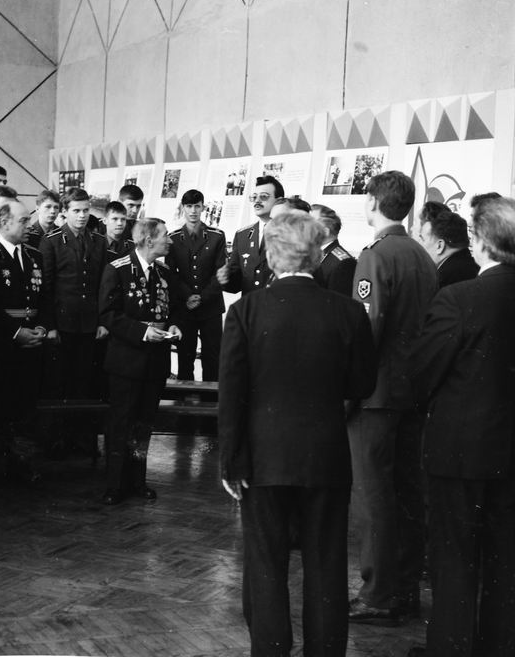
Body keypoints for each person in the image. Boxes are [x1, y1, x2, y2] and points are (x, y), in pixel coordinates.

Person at [219, 211, 375, 657]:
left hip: (263, 458)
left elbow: (231, 393)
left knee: (265, 562)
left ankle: (271, 649)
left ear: (271, 255)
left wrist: (231, 461)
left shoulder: (246, 310)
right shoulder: (348, 311)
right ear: (316, 253)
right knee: (326, 561)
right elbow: (362, 383)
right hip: (325, 455)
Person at [407, 195, 515, 657]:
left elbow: (421, 373)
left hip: (459, 452)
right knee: (506, 562)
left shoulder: (459, 297)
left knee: (453, 559)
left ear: (482, 242)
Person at [348, 170, 438, 624]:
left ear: (372, 201)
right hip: (412, 392)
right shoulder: (421, 254)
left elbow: (366, 333)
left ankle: (378, 594)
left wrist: (349, 393)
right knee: (406, 492)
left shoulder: (376, 256)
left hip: (377, 396)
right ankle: (403, 589)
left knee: (373, 495)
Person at [99, 218, 184, 505]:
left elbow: (174, 309)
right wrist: (143, 332)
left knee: (144, 423)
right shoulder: (117, 269)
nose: (169, 241)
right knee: (121, 423)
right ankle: (114, 484)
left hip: (155, 362)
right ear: (149, 240)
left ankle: (138, 481)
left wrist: (174, 325)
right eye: (165, 236)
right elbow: (108, 314)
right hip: (126, 361)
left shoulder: (164, 272)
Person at [0, 198, 47, 483]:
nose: (29, 226)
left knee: (24, 411)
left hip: (32, 344)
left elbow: (44, 297)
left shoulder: (35, 256)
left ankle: (20, 467)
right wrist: (16, 332)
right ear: (3, 222)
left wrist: (41, 326)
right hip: (0, 346)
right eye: (24, 221)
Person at [40, 187, 108, 400]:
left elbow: (103, 286)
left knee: (84, 380)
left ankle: (81, 422)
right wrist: (50, 325)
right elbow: (46, 287)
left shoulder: (99, 241)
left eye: (86, 210)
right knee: (60, 380)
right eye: (76, 211)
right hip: (62, 323)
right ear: (64, 212)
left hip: (90, 323)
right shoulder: (51, 241)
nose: (82, 216)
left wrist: (102, 321)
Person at [166, 189, 226, 382]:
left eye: (197, 206)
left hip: (211, 306)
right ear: (183, 208)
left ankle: (210, 397)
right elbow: (171, 273)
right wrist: (187, 296)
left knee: (212, 357)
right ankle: (184, 397)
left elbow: (220, 272)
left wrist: (202, 297)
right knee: (185, 356)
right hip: (185, 307)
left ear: (203, 208)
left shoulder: (217, 236)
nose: (193, 211)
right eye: (189, 206)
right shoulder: (174, 238)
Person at [217, 175, 284, 294]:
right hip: (249, 305)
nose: (257, 201)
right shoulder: (242, 235)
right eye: (254, 197)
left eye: (263, 197)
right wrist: (225, 278)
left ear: (279, 201)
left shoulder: (290, 234)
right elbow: (236, 284)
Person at [414, 201, 479, 287]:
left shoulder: (441, 281)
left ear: (440, 246)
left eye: (422, 239)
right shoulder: (473, 267)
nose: (419, 244)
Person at [311, 203, 357, 297]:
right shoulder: (311, 254)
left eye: (310, 224)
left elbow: (340, 302)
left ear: (325, 232)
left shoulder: (343, 263)